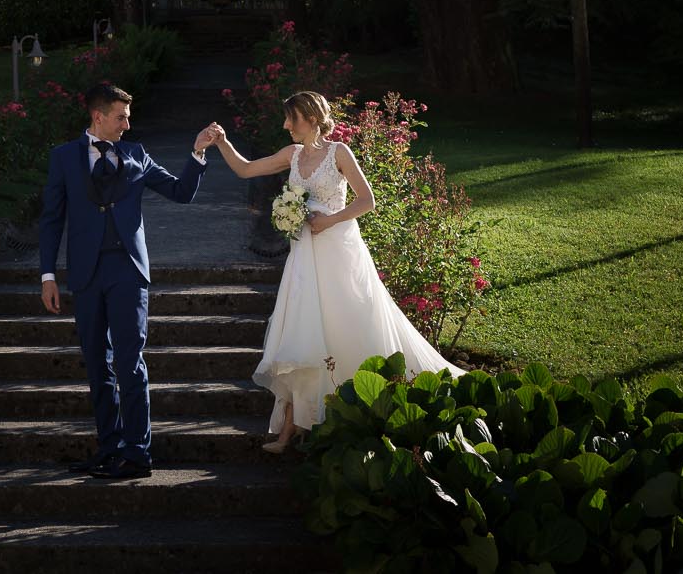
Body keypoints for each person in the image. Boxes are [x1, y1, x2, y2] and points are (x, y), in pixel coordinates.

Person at [206, 89, 457, 453]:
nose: (285, 125)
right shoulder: (291, 155)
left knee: (347, 326)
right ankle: (290, 432)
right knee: (302, 334)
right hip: (303, 258)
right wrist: (223, 142)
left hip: (338, 252)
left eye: (290, 118)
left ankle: (364, 414)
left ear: (309, 118)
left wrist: (330, 220)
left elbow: (366, 200)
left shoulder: (339, 152)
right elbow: (246, 169)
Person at [36, 82, 223, 480]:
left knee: (128, 361)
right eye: (121, 116)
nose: (127, 123)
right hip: (85, 274)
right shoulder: (64, 158)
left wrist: (198, 151)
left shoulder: (137, 154)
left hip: (127, 271)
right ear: (98, 116)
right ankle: (109, 448)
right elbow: (52, 219)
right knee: (96, 364)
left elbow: (181, 192)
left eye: (128, 116)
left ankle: (137, 453)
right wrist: (48, 275)